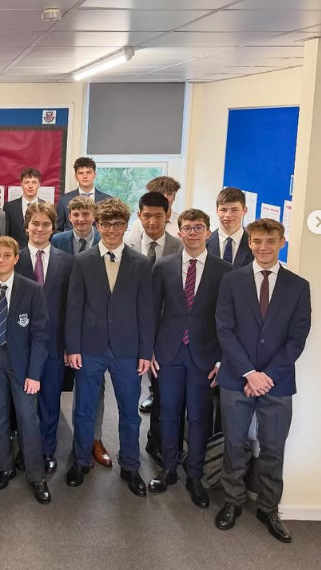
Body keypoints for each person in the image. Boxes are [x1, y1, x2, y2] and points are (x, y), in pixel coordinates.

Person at [214, 219, 311, 544]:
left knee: (273, 447)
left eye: (270, 241)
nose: (263, 247)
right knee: (234, 444)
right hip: (237, 378)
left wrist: (266, 376)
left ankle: (269, 508)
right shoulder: (231, 280)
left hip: (276, 382)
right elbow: (225, 330)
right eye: (256, 241)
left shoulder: (298, 286)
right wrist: (249, 373)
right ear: (250, 243)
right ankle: (232, 501)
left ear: (282, 242)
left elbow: (297, 339)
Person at [65, 198, 154, 498]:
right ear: (97, 225)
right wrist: (72, 347)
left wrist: (146, 352)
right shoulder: (82, 261)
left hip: (128, 349)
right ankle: (81, 461)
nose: (112, 230)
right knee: (84, 409)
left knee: (130, 412)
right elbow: (74, 307)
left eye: (118, 224)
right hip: (89, 347)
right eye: (106, 224)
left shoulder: (141, 263)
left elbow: (146, 311)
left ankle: (130, 466)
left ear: (126, 225)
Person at [147, 209, 231, 508]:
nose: (192, 233)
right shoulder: (163, 266)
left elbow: (228, 319)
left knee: (198, 416)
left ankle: (195, 475)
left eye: (198, 228)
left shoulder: (224, 270)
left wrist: (221, 360)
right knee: (168, 412)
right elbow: (151, 310)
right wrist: (149, 350)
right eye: (187, 228)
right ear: (179, 232)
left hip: (204, 355)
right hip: (168, 352)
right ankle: (169, 469)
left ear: (208, 232)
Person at [0, 236, 51, 505]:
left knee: (28, 419)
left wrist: (34, 374)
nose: (1, 259)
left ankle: (36, 476)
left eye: (7, 255)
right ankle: (4, 467)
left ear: (16, 258)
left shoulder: (32, 289)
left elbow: (40, 335)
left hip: (23, 365)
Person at [50, 196, 111, 467]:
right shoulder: (57, 240)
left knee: (94, 387)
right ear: (69, 216)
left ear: (94, 216)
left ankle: (93, 439)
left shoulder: (105, 241)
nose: (81, 219)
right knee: (54, 382)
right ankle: (49, 436)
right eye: (76, 214)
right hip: (60, 320)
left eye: (86, 214)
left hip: (93, 326)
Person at [16, 203, 73, 476]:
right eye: (35, 223)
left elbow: (72, 307)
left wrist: (70, 345)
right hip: (20, 344)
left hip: (53, 344)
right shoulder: (13, 258)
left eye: (46, 224)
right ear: (26, 226)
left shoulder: (68, 261)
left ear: (54, 227)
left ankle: (47, 450)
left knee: (50, 400)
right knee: (23, 403)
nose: (40, 229)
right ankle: (26, 450)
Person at [126, 192, 184, 458]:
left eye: (158, 216)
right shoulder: (126, 244)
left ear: (168, 216)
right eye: (147, 215)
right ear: (139, 215)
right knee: (128, 391)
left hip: (165, 330)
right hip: (130, 329)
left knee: (163, 392)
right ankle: (128, 449)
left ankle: (156, 442)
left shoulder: (180, 247)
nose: (152, 221)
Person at [55, 157, 113, 233]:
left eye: (88, 172)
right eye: (81, 173)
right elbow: (57, 229)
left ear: (94, 174)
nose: (85, 176)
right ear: (76, 176)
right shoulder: (64, 200)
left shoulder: (107, 200)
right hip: (72, 240)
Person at [206, 187, 254, 269]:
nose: (228, 215)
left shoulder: (254, 245)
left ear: (245, 210)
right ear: (217, 211)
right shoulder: (204, 243)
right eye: (223, 210)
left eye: (234, 210)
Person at [127, 176, 182, 241]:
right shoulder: (138, 224)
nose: (165, 198)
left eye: (169, 194)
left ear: (174, 196)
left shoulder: (182, 222)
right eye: (161, 194)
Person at [3, 167, 43, 250]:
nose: (30, 186)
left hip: (39, 252)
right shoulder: (9, 207)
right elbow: (6, 235)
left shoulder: (46, 207)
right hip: (16, 253)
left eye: (34, 182)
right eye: (26, 182)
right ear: (21, 184)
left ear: (39, 184)